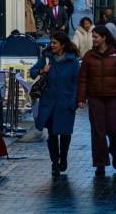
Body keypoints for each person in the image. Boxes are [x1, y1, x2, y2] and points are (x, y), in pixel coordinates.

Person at [77, 25, 116, 176]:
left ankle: (114, 151)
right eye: (93, 37)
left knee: (114, 128)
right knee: (98, 131)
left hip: (114, 96)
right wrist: (81, 98)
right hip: (95, 97)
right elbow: (83, 79)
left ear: (104, 38)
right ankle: (100, 163)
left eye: (96, 37)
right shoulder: (89, 56)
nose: (93, 39)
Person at [30, 31, 80, 177]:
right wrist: (42, 70)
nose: (51, 45)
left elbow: (77, 83)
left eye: (54, 43)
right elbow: (32, 72)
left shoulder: (73, 62)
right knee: (52, 134)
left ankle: (63, 157)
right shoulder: (46, 58)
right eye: (51, 42)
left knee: (65, 133)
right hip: (49, 102)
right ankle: (54, 161)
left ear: (63, 45)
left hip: (66, 102)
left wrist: (74, 101)